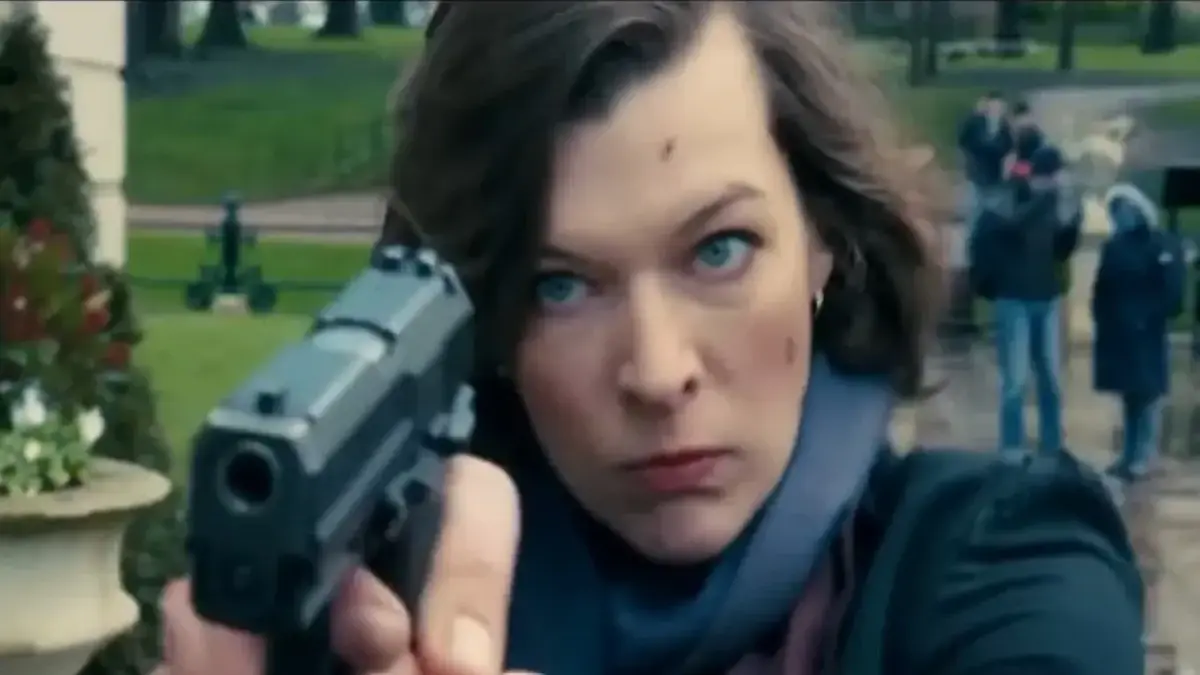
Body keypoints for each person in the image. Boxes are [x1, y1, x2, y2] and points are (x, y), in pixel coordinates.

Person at [156, 4, 1142, 675]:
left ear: (825, 244)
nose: (658, 372)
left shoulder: (999, 557)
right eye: (559, 286)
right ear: (486, 330)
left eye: (719, 250)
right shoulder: (377, 610)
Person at [974, 145, 1082, 460]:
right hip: (1014, 300)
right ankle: (1011, 447)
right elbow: (1009, 227)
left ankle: (1052, 445)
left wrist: (1074, 222)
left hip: (1046, 298)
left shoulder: (1051, 204)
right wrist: (1044, 199)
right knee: (1016, 381)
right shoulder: (1011, 199)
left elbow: (1060, 250)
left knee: (1051, 379)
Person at [1092, 183, 1185, 483]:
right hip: (1119, 332)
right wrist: (1102, 320)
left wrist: (1152, 315)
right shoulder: (1114, 247)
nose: (1119, 216)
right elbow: (1102, 289)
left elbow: (1172, 288)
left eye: (1123, 209)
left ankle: (1144, 455)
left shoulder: (1160, 243)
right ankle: (1129, 455)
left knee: (1148, 394)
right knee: (1130, 396)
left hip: (1148, 331)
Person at [958, 91, 1013, 235]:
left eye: (1000, 106)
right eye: (994, 105)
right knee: (974, 213)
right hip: (976, 173)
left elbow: (1008, 148)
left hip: (995, 176)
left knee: (993, 214)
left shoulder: (1004, 127)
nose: (997, 109)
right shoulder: (976, 122)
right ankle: (973, 240)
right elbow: (963, 140)